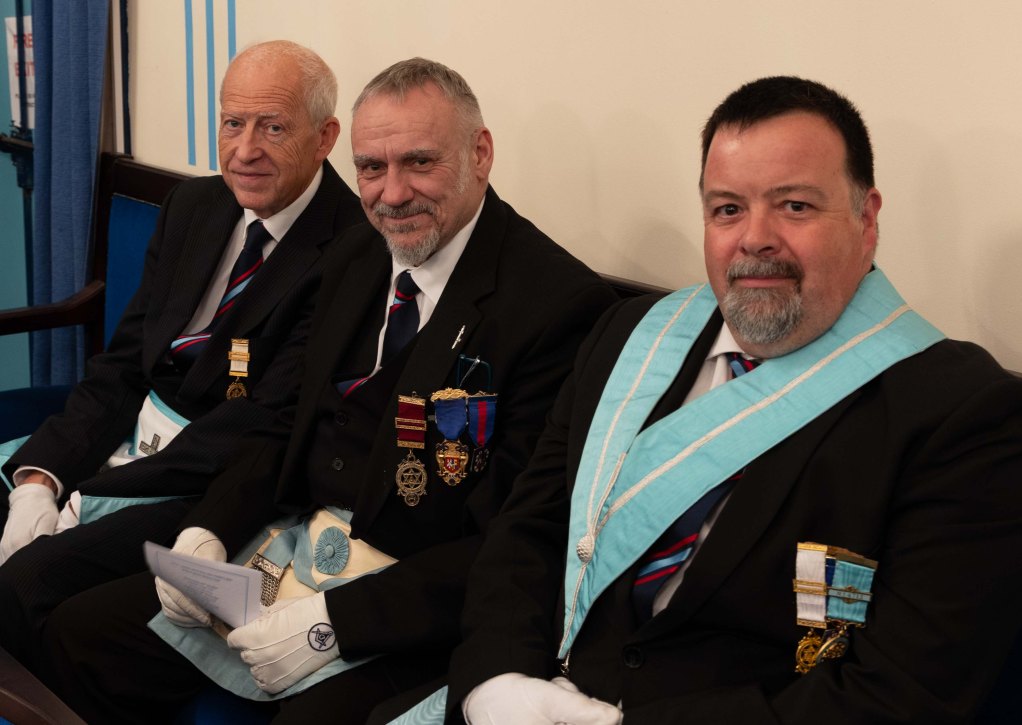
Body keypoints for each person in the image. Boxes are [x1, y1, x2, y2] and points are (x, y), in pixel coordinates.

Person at [396, 76, 1022, 724]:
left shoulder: (963, 417)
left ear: (867, 220)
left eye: (795, 206)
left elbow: (896, 696)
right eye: (727, 209)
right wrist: (495, 681)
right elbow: (527, 530)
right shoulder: (627, 335)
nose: (755, 238)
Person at [41, 58, 618, 724]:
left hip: (409, 601)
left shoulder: (557, 307)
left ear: (480, 154)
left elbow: (512, 535)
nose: (392, 194)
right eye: (371, 167)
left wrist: (338, 622)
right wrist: (210, 527)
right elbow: (286, 421)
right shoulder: (353, 255)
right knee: (81, 635)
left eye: (419, 163)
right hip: (288, 551)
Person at [0, 40, 364, 673]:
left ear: (324, 137)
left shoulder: (354, 249)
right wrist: (44, 479)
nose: (245, 149)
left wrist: (91, 496)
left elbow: (262, 420)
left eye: (273, 128)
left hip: (206, 479)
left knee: (24, 583)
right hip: (130, 438)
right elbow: (123, 365)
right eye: (232, 122)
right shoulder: (195, 206)